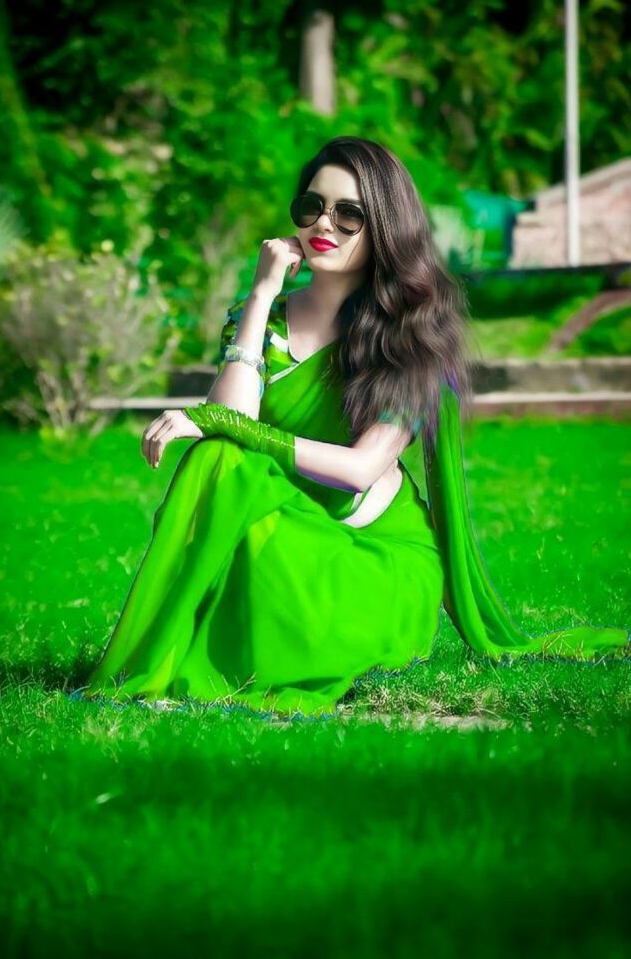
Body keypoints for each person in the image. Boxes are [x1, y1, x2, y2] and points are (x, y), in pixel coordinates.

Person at [80, 136, 630, 718]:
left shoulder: (410, 338)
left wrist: (224, 425)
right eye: (312, 207)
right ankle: (160, 663)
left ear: (385, 228)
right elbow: (228, 433)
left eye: (350, 214)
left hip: (375, 560)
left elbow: (359, 469)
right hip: (293, 534)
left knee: (226, 454)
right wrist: (261, 295)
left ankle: (201, 655)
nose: (325, 224)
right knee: (214, 461)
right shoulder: (262, 319)